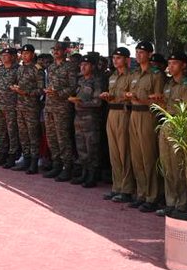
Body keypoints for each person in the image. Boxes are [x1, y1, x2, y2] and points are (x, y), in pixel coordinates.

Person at [154, 51, 187, 217]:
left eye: (174, 63)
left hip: (179, 123)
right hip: (166, 122)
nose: (170, 66)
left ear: (183, 65)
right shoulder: (169, 84)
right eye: (169, 63)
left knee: (178, 166)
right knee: (167, 165)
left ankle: (182, 204)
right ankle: (171, 202)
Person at [127, 40, 164, 210]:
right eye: (136, 52)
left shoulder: (156, 75)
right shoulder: (134, 74)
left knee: (148, 157)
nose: (138, 55)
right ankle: (141, 193)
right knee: (137, 157)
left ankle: (152, 196)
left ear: (149, 54)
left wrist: (142, 100)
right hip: (134, 113)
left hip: (148, 115)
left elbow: (159, 99)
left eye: (142, 52)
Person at [100, 47, 133, 202]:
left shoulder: (131, 76)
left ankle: (126, 189)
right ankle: (117, 186)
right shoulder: (112, 76)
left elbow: (132, 95)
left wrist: (117, 96)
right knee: (114, 152)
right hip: (112, 111)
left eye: (118, 58)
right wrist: (107, 96)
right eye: (114, 58)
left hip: (124, 112)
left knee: (124, 151)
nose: (115, 60)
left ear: (127, 60)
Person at [69, 52, 105, 188]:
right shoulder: (80, 80)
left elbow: (97, 102)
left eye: (86, 65)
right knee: (81, 147)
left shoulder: (97, 81)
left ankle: (92, 175)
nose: (83, 67)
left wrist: (81, 102)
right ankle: (84, 173)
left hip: (91, 118)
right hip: (79, 117)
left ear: (92, 66)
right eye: (81, 64)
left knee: (92, 147)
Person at [44, 41, 77, 182]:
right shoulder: (51, 67)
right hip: (50, 106)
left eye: (58, 49)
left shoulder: (70, 67)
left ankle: (67, 167)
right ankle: (56, 164)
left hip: (62, 107)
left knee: (63, 138)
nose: (55, 52)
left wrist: (59, 93)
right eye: (54, 49)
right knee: (52, 138)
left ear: (65, 51)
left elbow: (73, 87)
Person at [13, 44, 43, 174]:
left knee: (33, 135)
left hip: (31, 106)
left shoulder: (37, 69)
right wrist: (15, 88)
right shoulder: (20, 69)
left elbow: (41, 89)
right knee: (23, 135)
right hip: (20, 106)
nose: (24, 56)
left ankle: (34, 162)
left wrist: (27, 92)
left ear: (32, 54)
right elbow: (17, 83)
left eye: (27, 53)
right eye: (22, 54)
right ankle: (25, 159)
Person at [0, 47, 20, 167]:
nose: (3, 57)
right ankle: (1, 153)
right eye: (2, 55)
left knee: (12, 132)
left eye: (6, 55)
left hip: (12, 105)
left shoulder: (18, 70)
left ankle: (12, 155)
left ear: (13, 57)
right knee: (0, 131)